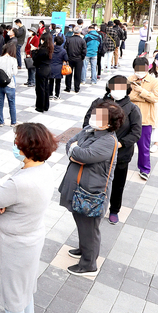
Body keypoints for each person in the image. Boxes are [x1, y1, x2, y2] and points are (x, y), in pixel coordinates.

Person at [0, 123, 57, 313]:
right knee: (26, 286)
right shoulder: (45, 170)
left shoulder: (19, 182)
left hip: (15, 243)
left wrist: (2, 200)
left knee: (13, 294)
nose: (15, 146)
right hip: (33, 236)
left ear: (26, 147)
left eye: (17, 143)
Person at [59, 101, 123, 276]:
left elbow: (83, 155)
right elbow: (70, 143)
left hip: (90, 192)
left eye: (100, 116)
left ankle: (89, 264)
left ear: (109, 123)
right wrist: (75, 150)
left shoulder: (108, 141)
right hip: (79, 187)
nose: (94, 118)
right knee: (81, 222)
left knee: (90, 228)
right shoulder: (90, 130)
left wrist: (75, 151)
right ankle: (84, 249)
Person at [83, 76, 141, 225]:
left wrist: (119, 144)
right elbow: (87, 123)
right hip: (97, 152)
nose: (117, 91)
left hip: (120, 154)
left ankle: (114, 209)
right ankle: (93, 206)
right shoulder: (100, 104)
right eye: (114, 87)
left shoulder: (132, 109)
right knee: (95, 180)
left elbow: (136, 132)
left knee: (117, 183)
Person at [127, 57, 158, 180]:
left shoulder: (154, 82)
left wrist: (141, 91)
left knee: (144, 147)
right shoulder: (129, 79)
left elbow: (156, 98)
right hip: (128, 119)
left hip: (145, 120)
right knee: (125, 144)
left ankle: (145, 169)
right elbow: (127, 96)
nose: (140, 72)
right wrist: (144, 97)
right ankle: (121, 165)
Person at [0, 42, 18, 126]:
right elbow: (15, 72)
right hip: (10, 84)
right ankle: (13, 122)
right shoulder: (13, 60)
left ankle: (1, 121)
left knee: (0, 104)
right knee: (12, 104)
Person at [31, 32, 53, 113]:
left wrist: (33, 51)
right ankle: (46, 106)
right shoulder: (50, 48)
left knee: (40, 89)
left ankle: (40, 107)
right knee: (46, 88)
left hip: (41, 69)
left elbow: (35, 59)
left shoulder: (43, 49)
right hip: (47, 69)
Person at [64, 26, 86, 93]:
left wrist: (66, 58)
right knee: (78, 74)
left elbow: (65, 49)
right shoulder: (82, 40)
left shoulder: (69, 39)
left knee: (68, 73)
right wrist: (82, 57)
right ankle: (77, 88)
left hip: (70, 58)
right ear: (80, 32)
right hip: (78, 59)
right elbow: (84, 51)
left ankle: (68, 88)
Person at [48, 35, 69, 100]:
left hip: (50, 67)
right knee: (58, 82)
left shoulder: (51, 49)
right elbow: (66, 58)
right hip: (59, 67)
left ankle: (50, 94)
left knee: (50, 81)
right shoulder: (63, 51)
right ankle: (57, 95)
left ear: (55, 42)